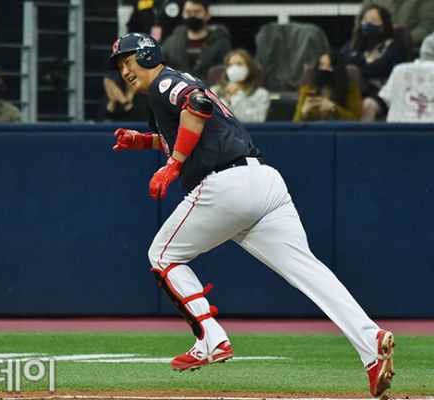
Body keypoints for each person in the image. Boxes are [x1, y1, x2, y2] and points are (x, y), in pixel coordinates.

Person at [108, 32, 395, 398]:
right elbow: (193, 125)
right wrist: (145, 141)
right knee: (309, 271)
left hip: (226, 185)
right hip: (262, 181)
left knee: (162, 256)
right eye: (120, 65)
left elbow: (197, 105)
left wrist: (173, 164)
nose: (125, 70)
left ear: (148, 55)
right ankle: (371, 343)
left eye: (128, 60)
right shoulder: (171, 85)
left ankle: (210, 338)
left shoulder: (165, 82)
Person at [341, 6, 404, 121]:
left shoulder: (393, 46)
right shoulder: (352, 46)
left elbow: (384, 68)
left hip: (380, 92)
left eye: (374, 21)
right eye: (365, 20)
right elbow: (339, 63)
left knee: (367, 105)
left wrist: (360, 67)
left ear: (383, 25)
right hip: (351, 90)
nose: (368, 24)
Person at [161, 0, 231, 82]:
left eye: (197, 12)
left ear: (207, 15)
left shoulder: (221, 43)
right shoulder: (171, 43)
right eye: (188, 12)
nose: (192, 16)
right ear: (183, 14)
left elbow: (226, 72)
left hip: (210, 88)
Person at [293, 51, 362, 121]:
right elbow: (295, 122)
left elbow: (355, 119)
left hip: (337, 127)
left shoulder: (350, 87)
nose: (324, 70)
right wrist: (303, 113)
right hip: (314, 127)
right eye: (321, 65)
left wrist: (334, 108)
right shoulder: (309, 88)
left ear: (338, 69)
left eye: (329, 67)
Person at [209, 49, 269, 123]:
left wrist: (236, 96)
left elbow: (257, 120)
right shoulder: (214, 92)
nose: (234, 68)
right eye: (230, 65)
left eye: (239, 64)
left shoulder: (261, 94)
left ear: (249, 68)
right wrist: (227, 98)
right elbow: (213, 119)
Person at [361, 0, 434, 55]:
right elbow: (361, 22)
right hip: (372, 48)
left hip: (410, 51)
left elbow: (426, 27)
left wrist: (399, 43)